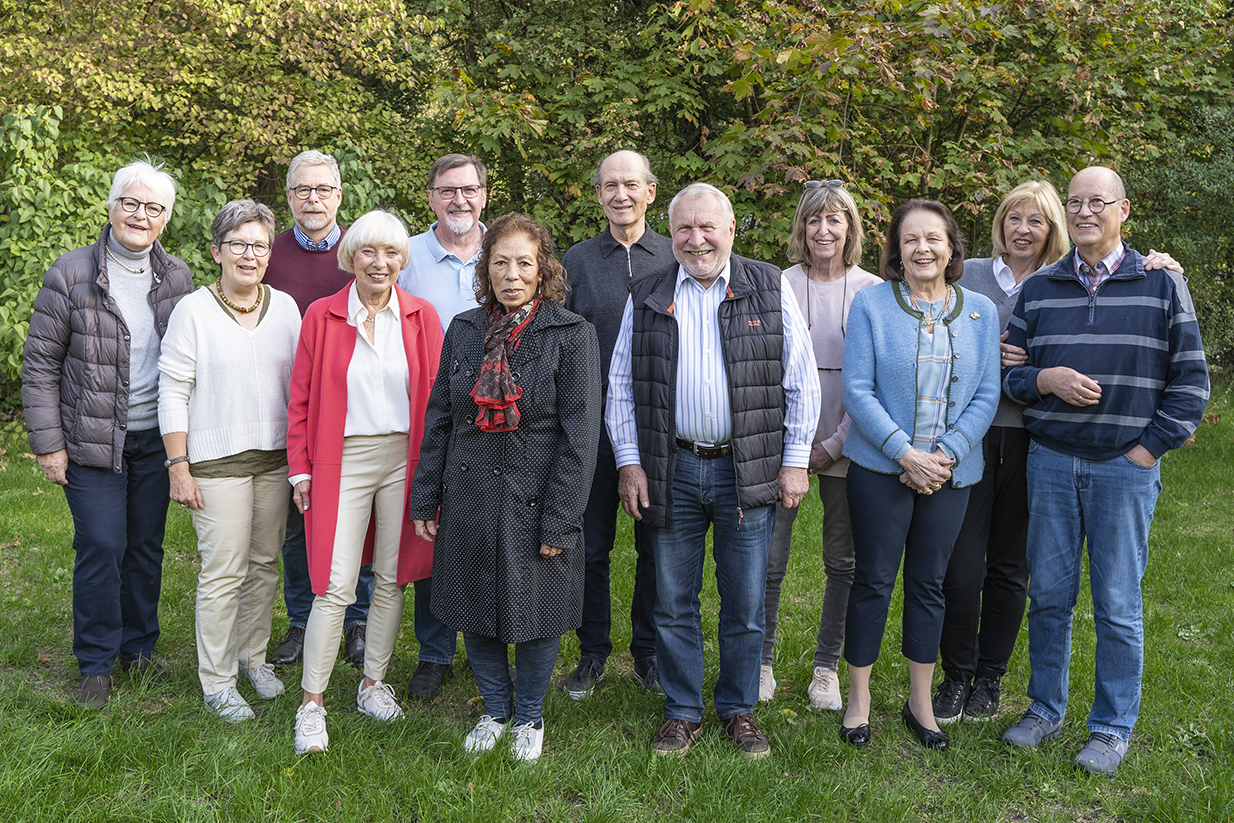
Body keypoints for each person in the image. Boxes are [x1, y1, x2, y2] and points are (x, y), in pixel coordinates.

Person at [1000, 166, 1208, 775]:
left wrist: (1146, 450)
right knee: (1050, 598)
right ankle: (1044, 708)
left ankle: (1113, 726)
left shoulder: (1163, 285)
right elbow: (1011, 378)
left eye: (1098, 202)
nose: (1085, 211)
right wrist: (1045, 379)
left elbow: (1191, 383)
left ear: (1123, 210)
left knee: (1118, 603)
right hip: (1052, 463)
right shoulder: (1040, 289)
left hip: (1125, 467)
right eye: (1075, 202)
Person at [607, 183, 821, 759]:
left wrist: (795, 460)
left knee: (745, 600)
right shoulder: (647, 290)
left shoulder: (768, 286)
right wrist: (630, 462)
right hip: (671, 464)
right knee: (673, 599)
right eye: (683, 228)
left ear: (731, 229)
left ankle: (738, 708)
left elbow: (800, 380)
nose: (696, 239)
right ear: (670, 232)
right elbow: (622, 386)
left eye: (708, 227)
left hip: (744, 468)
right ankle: (681, 711)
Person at [409, 213, 601, 764]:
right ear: (485, 269)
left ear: (544, 269)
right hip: (469, 489)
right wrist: (427, 494)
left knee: (535, 608)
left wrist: (562, 518)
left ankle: (530, 717)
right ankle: (495, 709)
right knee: (475, 602)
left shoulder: (571, 333)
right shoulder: (466, 329)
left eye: (524, 263)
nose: (512, 274)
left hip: (537, 494)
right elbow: (441, 415)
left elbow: (579, 436)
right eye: (500, 262)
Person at [21, 158, 193, 708]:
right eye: (131, 203)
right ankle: (95, 661)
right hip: (92, 443)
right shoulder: (69, 274)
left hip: (152, 441)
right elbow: (41, 366)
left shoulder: (179, 279)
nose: (141, 215)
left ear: (165, 220)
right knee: (101, 544)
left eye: (154, 208)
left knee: (144, 549)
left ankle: (138, 648)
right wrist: (48, 444)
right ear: (112, 206)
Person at [839, 199, 1000, 751]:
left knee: (929, 585)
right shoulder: (871, 305)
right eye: (911, 240)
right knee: (874, 582)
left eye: (934, 238)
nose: (923, 248)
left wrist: (946, 453)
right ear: (896, 251)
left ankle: (920, 701)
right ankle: (857, 700)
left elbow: (986, 393)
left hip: (952, 474)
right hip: (881, 468)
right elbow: (856, 390)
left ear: (952, 246)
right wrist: (905, 454)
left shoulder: (980, 309)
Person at [286, 210, 444, 754]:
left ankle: (373, 683)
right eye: (369, 252)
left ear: (404, 260)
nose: (381, 263)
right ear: (350, 256)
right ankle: (312, 703)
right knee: (334, 583)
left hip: (405, 456)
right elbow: (301, 398)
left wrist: (435, 472)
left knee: (392, 576)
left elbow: (439, 405)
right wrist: (300, 466)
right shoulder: (322, 315)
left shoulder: (422, 317)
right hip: (340, 458)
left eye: (392, 253)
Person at [158, 200, 301, 721]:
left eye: (259, 245)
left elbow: (299, 388)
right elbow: (172, 390)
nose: (250, 254)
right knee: (223, 572)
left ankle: (252, 658)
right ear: (217, 251)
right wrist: (178, 464)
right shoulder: (193, 310)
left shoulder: (286, 309)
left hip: (275, 460)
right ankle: (217, 681)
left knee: (264, 567)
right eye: (238, 244)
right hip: (215, 464)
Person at [757, 180, 882, 711]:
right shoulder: (775, 283)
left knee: (843, 562)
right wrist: (792, 447)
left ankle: (826, 668)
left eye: (835, 220)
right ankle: (758, 662)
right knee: (767, 561)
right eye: (814, 220)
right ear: (801, 228)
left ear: (850, 228)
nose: (823, 230)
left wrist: (833, 445)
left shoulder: (874, 290)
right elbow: (761, 372)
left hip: (850, 446)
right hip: (783, 445)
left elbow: (879, 381)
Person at [560, 149, 675, 699]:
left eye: (631, 184)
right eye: (610, 186)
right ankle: (593, 652)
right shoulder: (578, 261)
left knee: (657, 545)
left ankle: (649, 653)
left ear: (650, 191)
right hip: (591, 426)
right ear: (599, 195)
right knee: (592, 545)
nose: (621, 194)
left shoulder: (676, 255)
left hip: (659, 428)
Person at [262, 150, 374, 672]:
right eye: (302, 190)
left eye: (322, 190)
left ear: (339, 197)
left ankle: (358, 620)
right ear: (288, 198)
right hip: (292, 406)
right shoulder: (269, 255)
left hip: (358, 413)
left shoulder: (359, 251)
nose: (313, 199)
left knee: (362, 521)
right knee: (297, 523)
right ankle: (303, 618)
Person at [394, 153, 489, 697]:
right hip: (426, 414)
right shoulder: (408, 255)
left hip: (499, 417)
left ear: (483, 195)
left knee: (484, 533)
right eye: (447, 190)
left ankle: (483, 643)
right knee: (430, 530)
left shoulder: (502, 252)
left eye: (468, 189)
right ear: (430, 196)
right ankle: (434, 652)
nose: (459, 200)